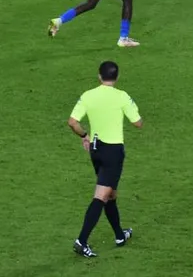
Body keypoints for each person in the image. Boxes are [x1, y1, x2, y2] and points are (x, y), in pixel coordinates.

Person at [67, 60, 142, 258]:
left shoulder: (88, 95)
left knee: (110, 194)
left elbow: (73, 122)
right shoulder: (122, 96)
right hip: (113, 152)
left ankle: (119, 235)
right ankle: (81, 241)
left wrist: (84, 136)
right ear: (117, 77)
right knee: (101, 195)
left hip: (96, 150)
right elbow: (138, 123)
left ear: (99, 76)